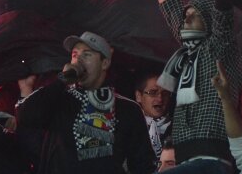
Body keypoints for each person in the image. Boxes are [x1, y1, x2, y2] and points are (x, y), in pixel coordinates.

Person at [139, 0, 242, 171]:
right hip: (185, 153)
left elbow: (223, 14)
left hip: (213, 153)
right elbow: (171, 7)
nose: (185, 20)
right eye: (186, 15)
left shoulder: (219, 47)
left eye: (194, 16)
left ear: (208, 20)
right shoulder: (188, 53)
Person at [15, 30, 155, 173]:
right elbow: (25, 117)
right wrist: (62, 80)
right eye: (74, 55)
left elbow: (143, 164)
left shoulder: (127, 109)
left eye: (87, 54)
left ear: (105, 63)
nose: (79, 61)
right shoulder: (58, 99)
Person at [135, 74, 173, 158]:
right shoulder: (130, 127)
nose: (160, 99)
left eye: (165, 93)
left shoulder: (178, 128)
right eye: (153, 93)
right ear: (138, 96)